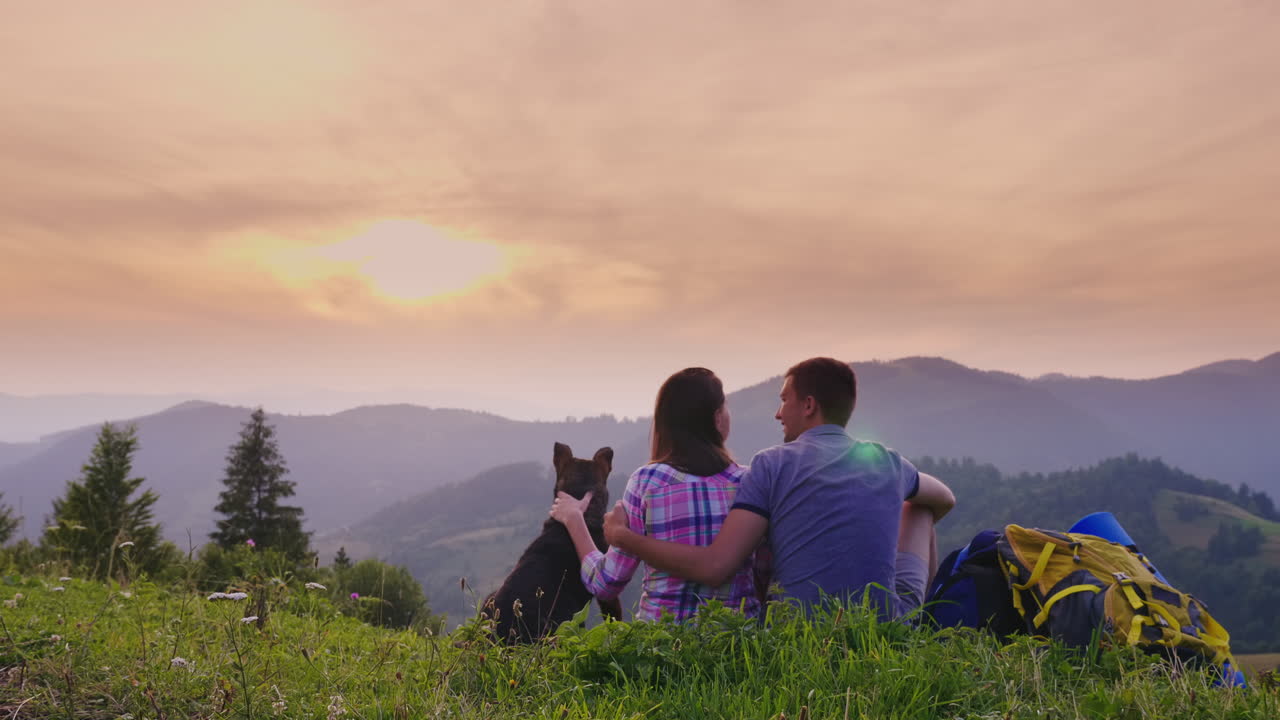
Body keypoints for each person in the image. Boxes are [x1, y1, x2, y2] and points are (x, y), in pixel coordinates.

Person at [603, 357, 955, 620]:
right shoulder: (884, 460)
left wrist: (624, 537)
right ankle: (924, 628)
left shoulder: (770, 465)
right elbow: (944, 498)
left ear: (809, 405)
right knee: (920, 507)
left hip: (796, 628)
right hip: (882, 626)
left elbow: (715, 567)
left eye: (784, 400)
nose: (777, 413)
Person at [548, 367, 762, 621]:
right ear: (717, 418)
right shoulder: (751, 481)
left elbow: (605, 584)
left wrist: (574, 520)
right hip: (741, 647)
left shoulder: (648, 482)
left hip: (659, 647)